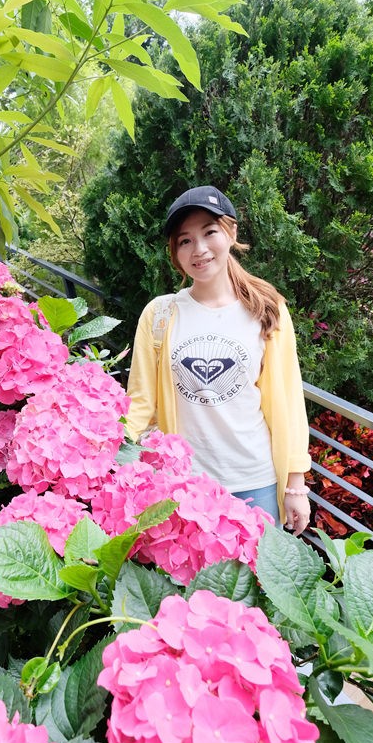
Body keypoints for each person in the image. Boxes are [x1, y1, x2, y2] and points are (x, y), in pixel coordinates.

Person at [125, 185, 311, 535]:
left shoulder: (267, 309)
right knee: (192, 588)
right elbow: (140, 401)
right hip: (183, 485)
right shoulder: (160, 314)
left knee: (251, 587)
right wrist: (108, 449)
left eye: (209, 232)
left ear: (231, 232)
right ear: (175, 252)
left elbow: (288, 400)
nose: (200, 249)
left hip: (254, 481)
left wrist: (295, 485)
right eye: (185, 241)